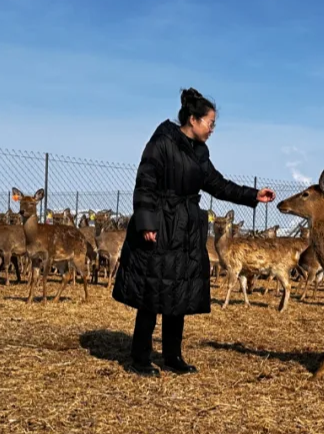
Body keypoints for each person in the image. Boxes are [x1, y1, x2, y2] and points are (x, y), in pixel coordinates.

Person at [112, 88, 275, 376]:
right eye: (210, 123)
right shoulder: (161, 142)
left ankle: (173, 356)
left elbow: (218, 184)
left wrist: (253, 195)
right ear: (193, 119)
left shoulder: (200, 153)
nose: (212, 129)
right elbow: (145, 182)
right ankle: (139, 358)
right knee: (153, 292)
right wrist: (147, 223)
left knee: (179, 294)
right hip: (161, 226)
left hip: (186, 230)